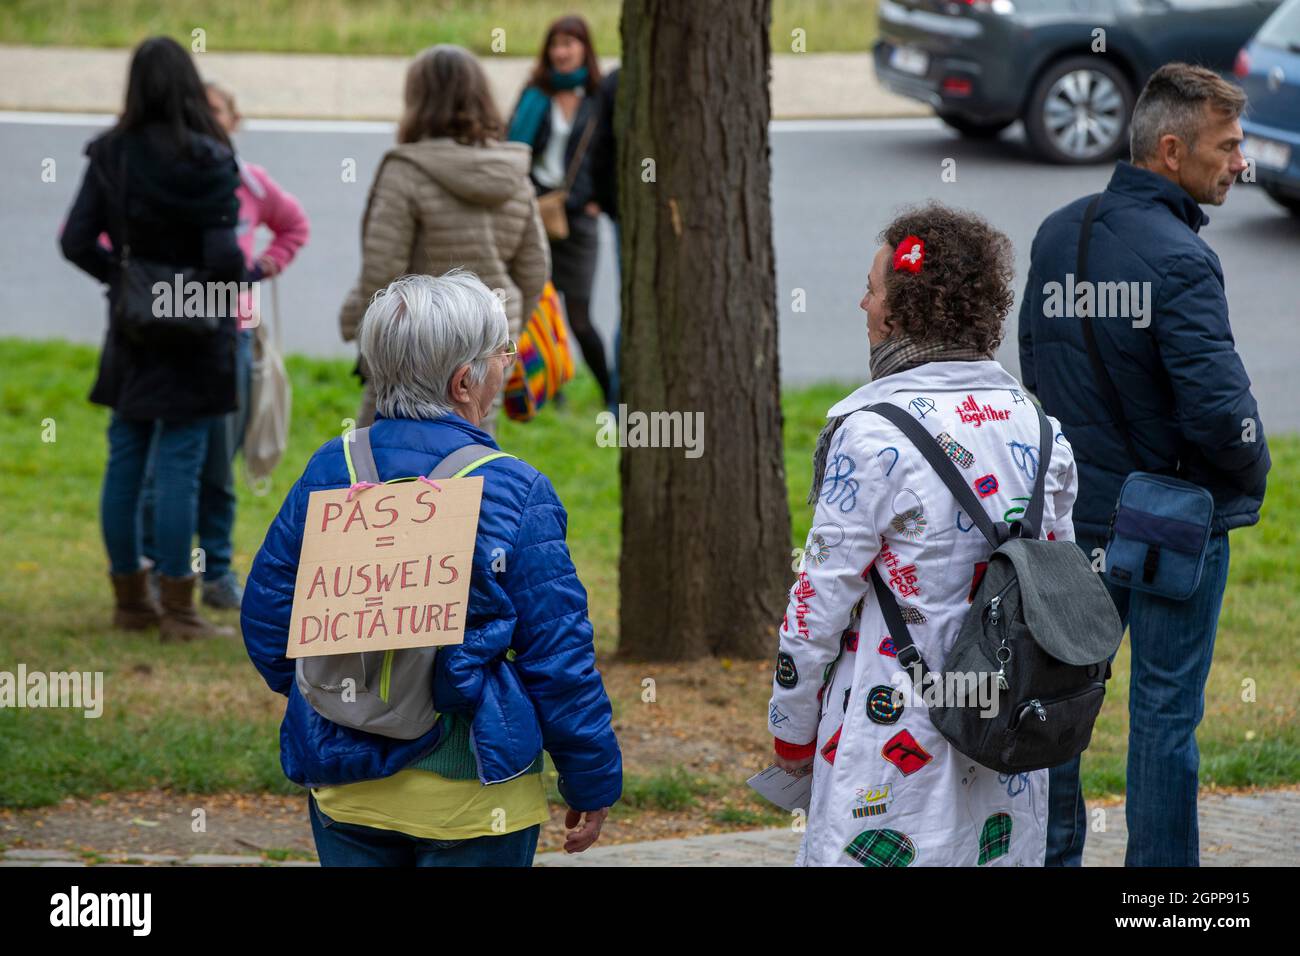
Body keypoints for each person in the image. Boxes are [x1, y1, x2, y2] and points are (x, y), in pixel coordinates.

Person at [243, 271, 621, 867]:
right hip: (474, 801)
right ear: (464, 381)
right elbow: (559, 657)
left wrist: (347, 695)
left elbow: (268, 622)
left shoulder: (330, 470)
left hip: (346, 792)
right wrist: (591, 779)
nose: (510, 361)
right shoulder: (515, 491)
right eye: (501, 351)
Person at [769, 204, 1079, 867]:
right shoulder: (1039, 426)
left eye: (873, 288)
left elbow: (815, 609)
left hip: (890, 735)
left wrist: (790, 730)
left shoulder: (870, 432)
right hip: (1005, 736)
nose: (862, 302)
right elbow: (1062, 598)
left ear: (903, 310)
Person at [1019, 63, 1270, 868]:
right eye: (1227, 146)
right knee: (1163, 713)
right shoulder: (1183, 259)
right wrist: (1249, 474)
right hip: (1168, 519)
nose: (1240, 161)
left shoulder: (1058, 231)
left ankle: (1050, 857)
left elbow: (1034, 363)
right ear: (1171, 149)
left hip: (1074, 512)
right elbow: (1218, 412)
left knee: (1058, 703)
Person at [60, 35, 245, 641]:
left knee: (127, 453)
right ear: (190, 85)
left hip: (134, 324)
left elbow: (75, 240)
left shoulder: (111, 153)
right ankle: (181, 612)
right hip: (198, 324)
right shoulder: (210, 158)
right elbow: (223, 257)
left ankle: (131, 602)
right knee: (181, 465)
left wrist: (125, 281)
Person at [140, 79, 310, 610]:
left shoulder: (249, 183)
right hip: (169, 330)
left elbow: (294, 226)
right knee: (165, 460)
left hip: (231, 335)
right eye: (200, 110)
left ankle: (215, 573)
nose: (208, 119)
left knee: (219, 460)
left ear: (235, 121)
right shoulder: (163, 179)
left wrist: (263, 266)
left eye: (218, 110)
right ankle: (154, 567)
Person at [340, 44, 548, 435]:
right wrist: (504, 333)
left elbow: (381, 273)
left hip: (414, 346)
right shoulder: (512, 172)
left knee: (385, 457)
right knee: (471, 457)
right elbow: (535, 270)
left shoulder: (406, 171)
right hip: (487, 346)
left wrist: (366, 338)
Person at [507, 15, 611, 405]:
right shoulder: (535, 94)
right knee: (538, 310)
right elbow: (511, 147)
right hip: (535, 213)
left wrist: (599, 197)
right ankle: (550, 391)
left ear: (584, 48)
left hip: (579, 219)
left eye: (570, 44)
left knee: (581, 320)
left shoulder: (599, 97)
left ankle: (612, 396)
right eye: (556, 45)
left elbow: (612, 152)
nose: (562, 52)